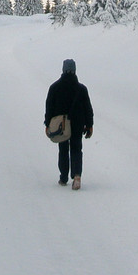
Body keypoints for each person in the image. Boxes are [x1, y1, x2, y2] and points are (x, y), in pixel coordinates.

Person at [44, 58, 94, 190]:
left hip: (61, 125)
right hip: (78, 123)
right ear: (75, 70)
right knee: (77, 148)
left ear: (63, 70)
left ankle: (63, 177)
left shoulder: (54, 87)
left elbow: (49, 107)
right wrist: (89, 125)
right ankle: (77, 175)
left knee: (63, 149)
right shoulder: (81, 89)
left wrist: (47, 124)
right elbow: (88, 109)